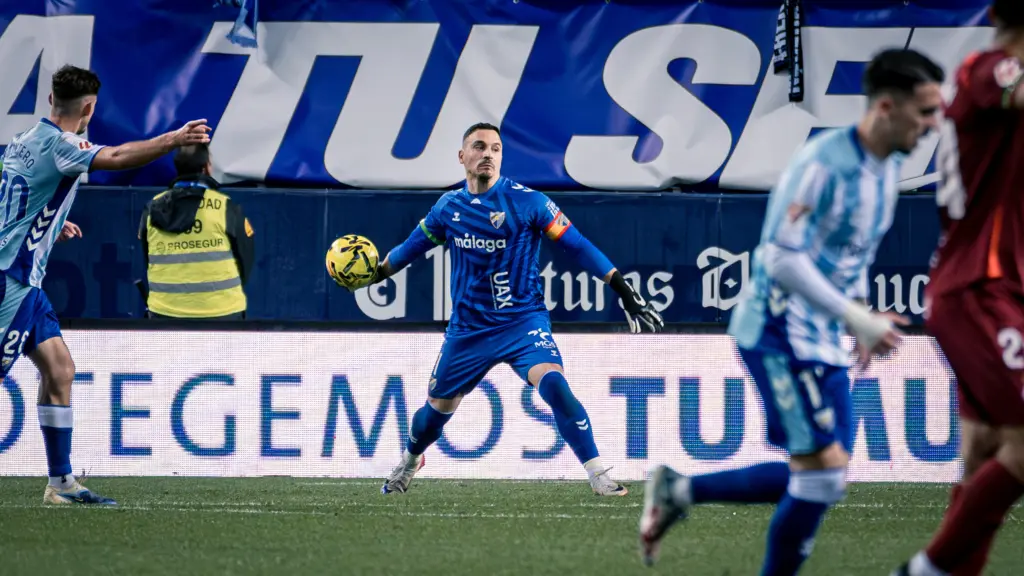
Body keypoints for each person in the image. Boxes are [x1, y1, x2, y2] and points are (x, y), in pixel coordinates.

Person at [638, 48, 945, 574]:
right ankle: (682, 493)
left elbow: (848, 256)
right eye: (925, 111)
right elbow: (780, 256)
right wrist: (857, 318)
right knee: (821, 472)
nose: (933, 123)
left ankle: (679, 490)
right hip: (776, 330)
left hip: (820, 334)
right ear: (887, 107)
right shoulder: (822, 164)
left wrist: (858, 315)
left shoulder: (887, 171)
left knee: (827, 477)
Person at [358, 122, 664, 496]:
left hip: (522, 322)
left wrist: (622, 288)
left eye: (496, 148)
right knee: (433, 415)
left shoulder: (529, 202)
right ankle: (410, 460)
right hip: (469, 331)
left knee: (554, 384)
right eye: (479, 146)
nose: (488, 153)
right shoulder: (448, 208)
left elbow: (578, 245)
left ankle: (598, 473)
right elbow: (408, 250)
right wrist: (372, 275)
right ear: (462, 156)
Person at [0, 64, 210, 506]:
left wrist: (50, 222)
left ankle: (61, 484)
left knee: (60, 370)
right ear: (89, 109)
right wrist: (173, 139)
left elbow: (14, 198)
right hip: (11, 283)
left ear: (51, 100)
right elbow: (115, 158)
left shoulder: (22, 141)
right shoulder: (63, 146)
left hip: (27, 284)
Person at [893, 2, 1024, 575]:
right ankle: (927, 570)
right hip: (979, 287)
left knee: (983, 451)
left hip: (989, 286)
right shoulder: (988, 70)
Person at [138, 143, 254, 320]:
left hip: (165, 315)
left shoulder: (152, 208)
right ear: (206, 167)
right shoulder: (226, 207)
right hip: (223, 314)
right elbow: (246, 258)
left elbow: (148, 259)